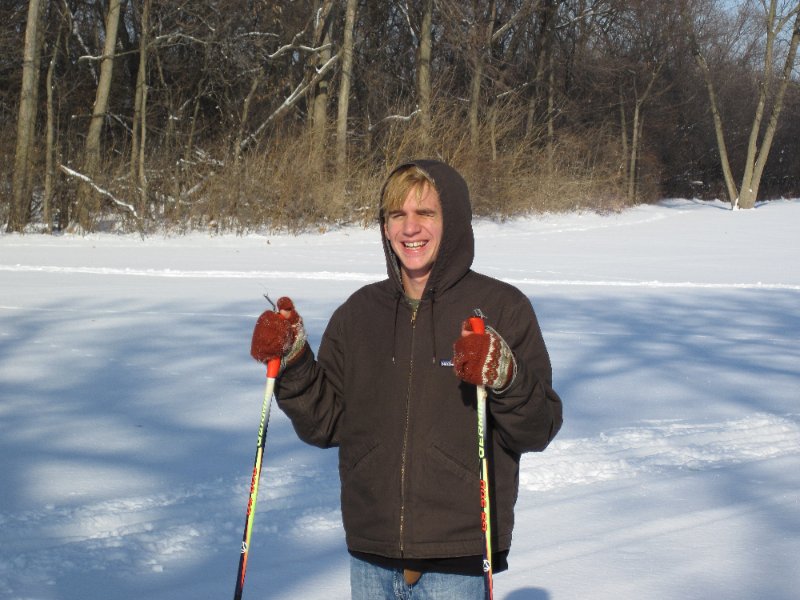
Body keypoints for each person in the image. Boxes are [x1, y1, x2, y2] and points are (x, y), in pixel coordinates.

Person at [250, 159, 563, 599]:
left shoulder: (502, 308)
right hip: (371, 552)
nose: (410, 228)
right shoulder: (358, 314)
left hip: (457, 556)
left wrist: (506, 376)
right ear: (385, 227)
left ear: (452, 221)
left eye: (425, 213)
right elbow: (326, 424)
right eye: (397, 215)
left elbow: (537, 429)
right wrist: (294, 360)